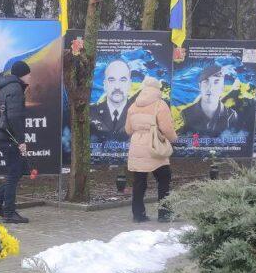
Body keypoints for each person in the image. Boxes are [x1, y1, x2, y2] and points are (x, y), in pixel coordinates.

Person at [124, 77, 177, 223]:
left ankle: (138, 214)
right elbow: (167, 128)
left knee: (139, 181)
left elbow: (128, 130)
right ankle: (164, 213)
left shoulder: (133, 106)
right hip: (154, 146)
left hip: (137, 146)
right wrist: (173, 139)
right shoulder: (160, 104)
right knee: (164, 178)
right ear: (157, 89)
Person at [0, 60, 31, 224]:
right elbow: (14, 117)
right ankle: (8, 212)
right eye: (28, 74)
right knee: (14, 172)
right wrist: (21, 140)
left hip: (4, 135)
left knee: (17, 171)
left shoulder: (5, 88)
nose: (30, 77)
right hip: (9, 137)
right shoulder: (15, 89)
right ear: (22, 75)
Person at [180, 63, 237, 135]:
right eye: (206, 81)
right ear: (200, 86)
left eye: (216, 82)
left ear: (222, 87)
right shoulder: (185, 114)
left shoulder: (231, 116)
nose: (210, 88)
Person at [90, 59, 133, 138]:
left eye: (123, 80)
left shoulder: (141, 113)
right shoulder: (90, 113)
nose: (117, 87)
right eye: (112, 80)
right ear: (105, 84)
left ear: (130, 84)